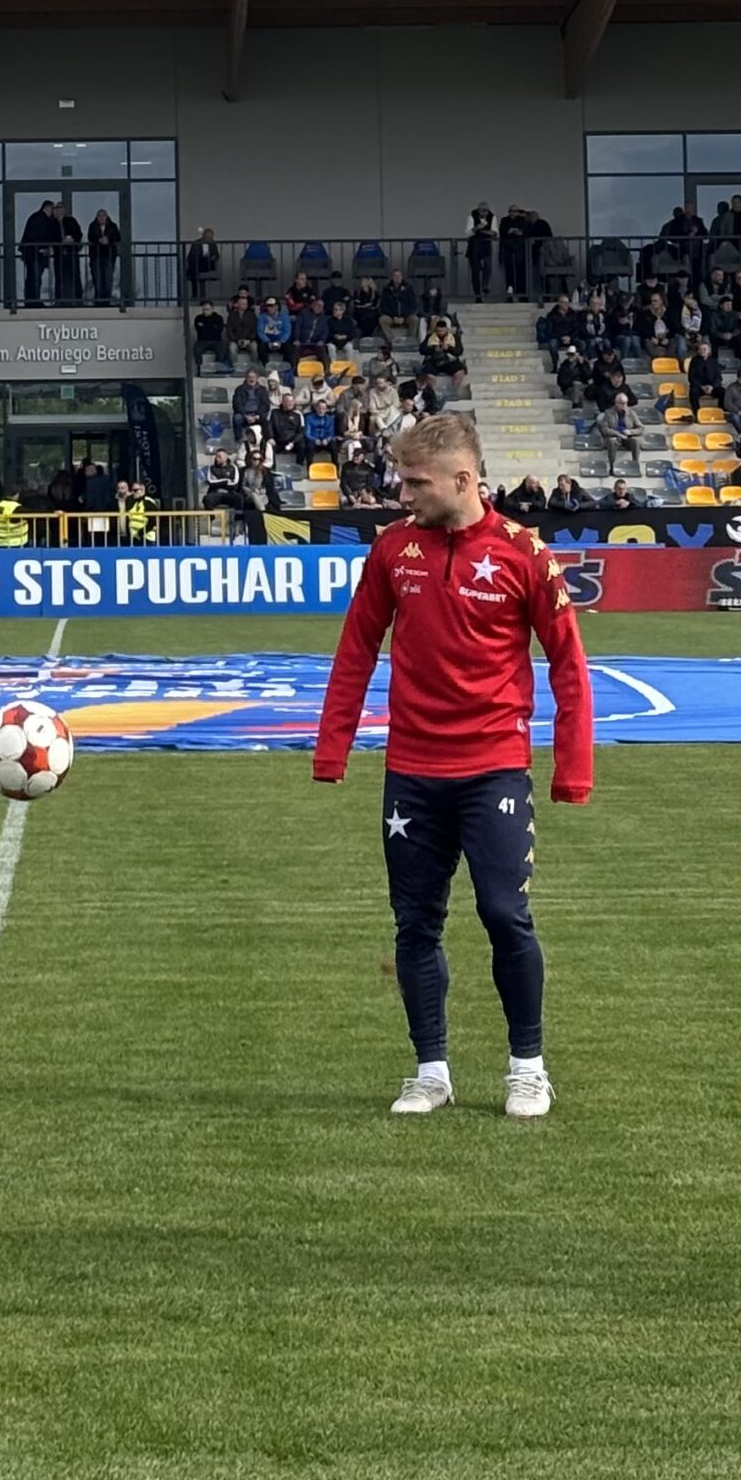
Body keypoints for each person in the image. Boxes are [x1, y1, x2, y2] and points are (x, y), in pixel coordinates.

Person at [312, 411, 594, 1120]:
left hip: (493, 767)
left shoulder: (524, 554)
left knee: (505, 913)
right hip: (411, 770)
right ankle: (430, 1069)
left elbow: (569, 661)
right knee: (415, 923)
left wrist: (573, 768)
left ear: (463, 480)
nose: (402, 494)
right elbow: (356, 648)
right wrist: (331, 748)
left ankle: (528, 1067)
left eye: (416, 483)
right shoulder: (393, 550)